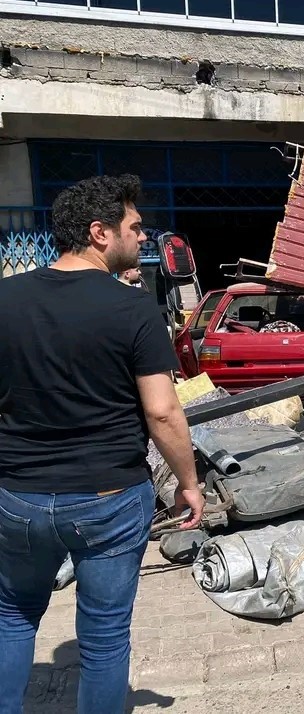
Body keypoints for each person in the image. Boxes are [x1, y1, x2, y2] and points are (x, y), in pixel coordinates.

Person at [0, 175, 204, 714]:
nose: (143, 238)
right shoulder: (132, 308)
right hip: (109, 496)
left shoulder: (5, 298)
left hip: (17, 495)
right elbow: (162, 410)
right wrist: (188, 483)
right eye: (134, 228)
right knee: (106, 635)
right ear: (99, 232)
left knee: (13, 615)